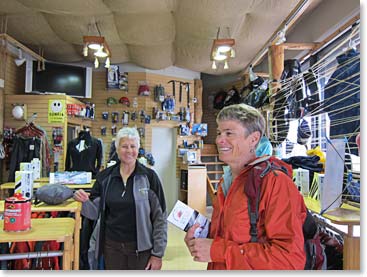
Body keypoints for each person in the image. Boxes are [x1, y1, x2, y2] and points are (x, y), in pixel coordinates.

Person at [184, 103, 307, 269]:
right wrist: (200, 240)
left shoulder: (275, 183)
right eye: (219, 132)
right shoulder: (226, 181)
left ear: (254, 139)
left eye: (229, 133)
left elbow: (289, 259)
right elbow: (231, 235)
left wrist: (218, 251)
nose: (219, 140)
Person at [74, 127, 167, 270]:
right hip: (111, 248)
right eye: (124, 146)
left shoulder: (149, 177)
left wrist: (157, 254)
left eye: (133, 146)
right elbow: (94, 213)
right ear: (117, 149)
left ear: (138, 149)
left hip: (141, 251)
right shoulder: (105, 177)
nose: (129, 151)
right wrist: (83, 201)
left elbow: (160, 218)